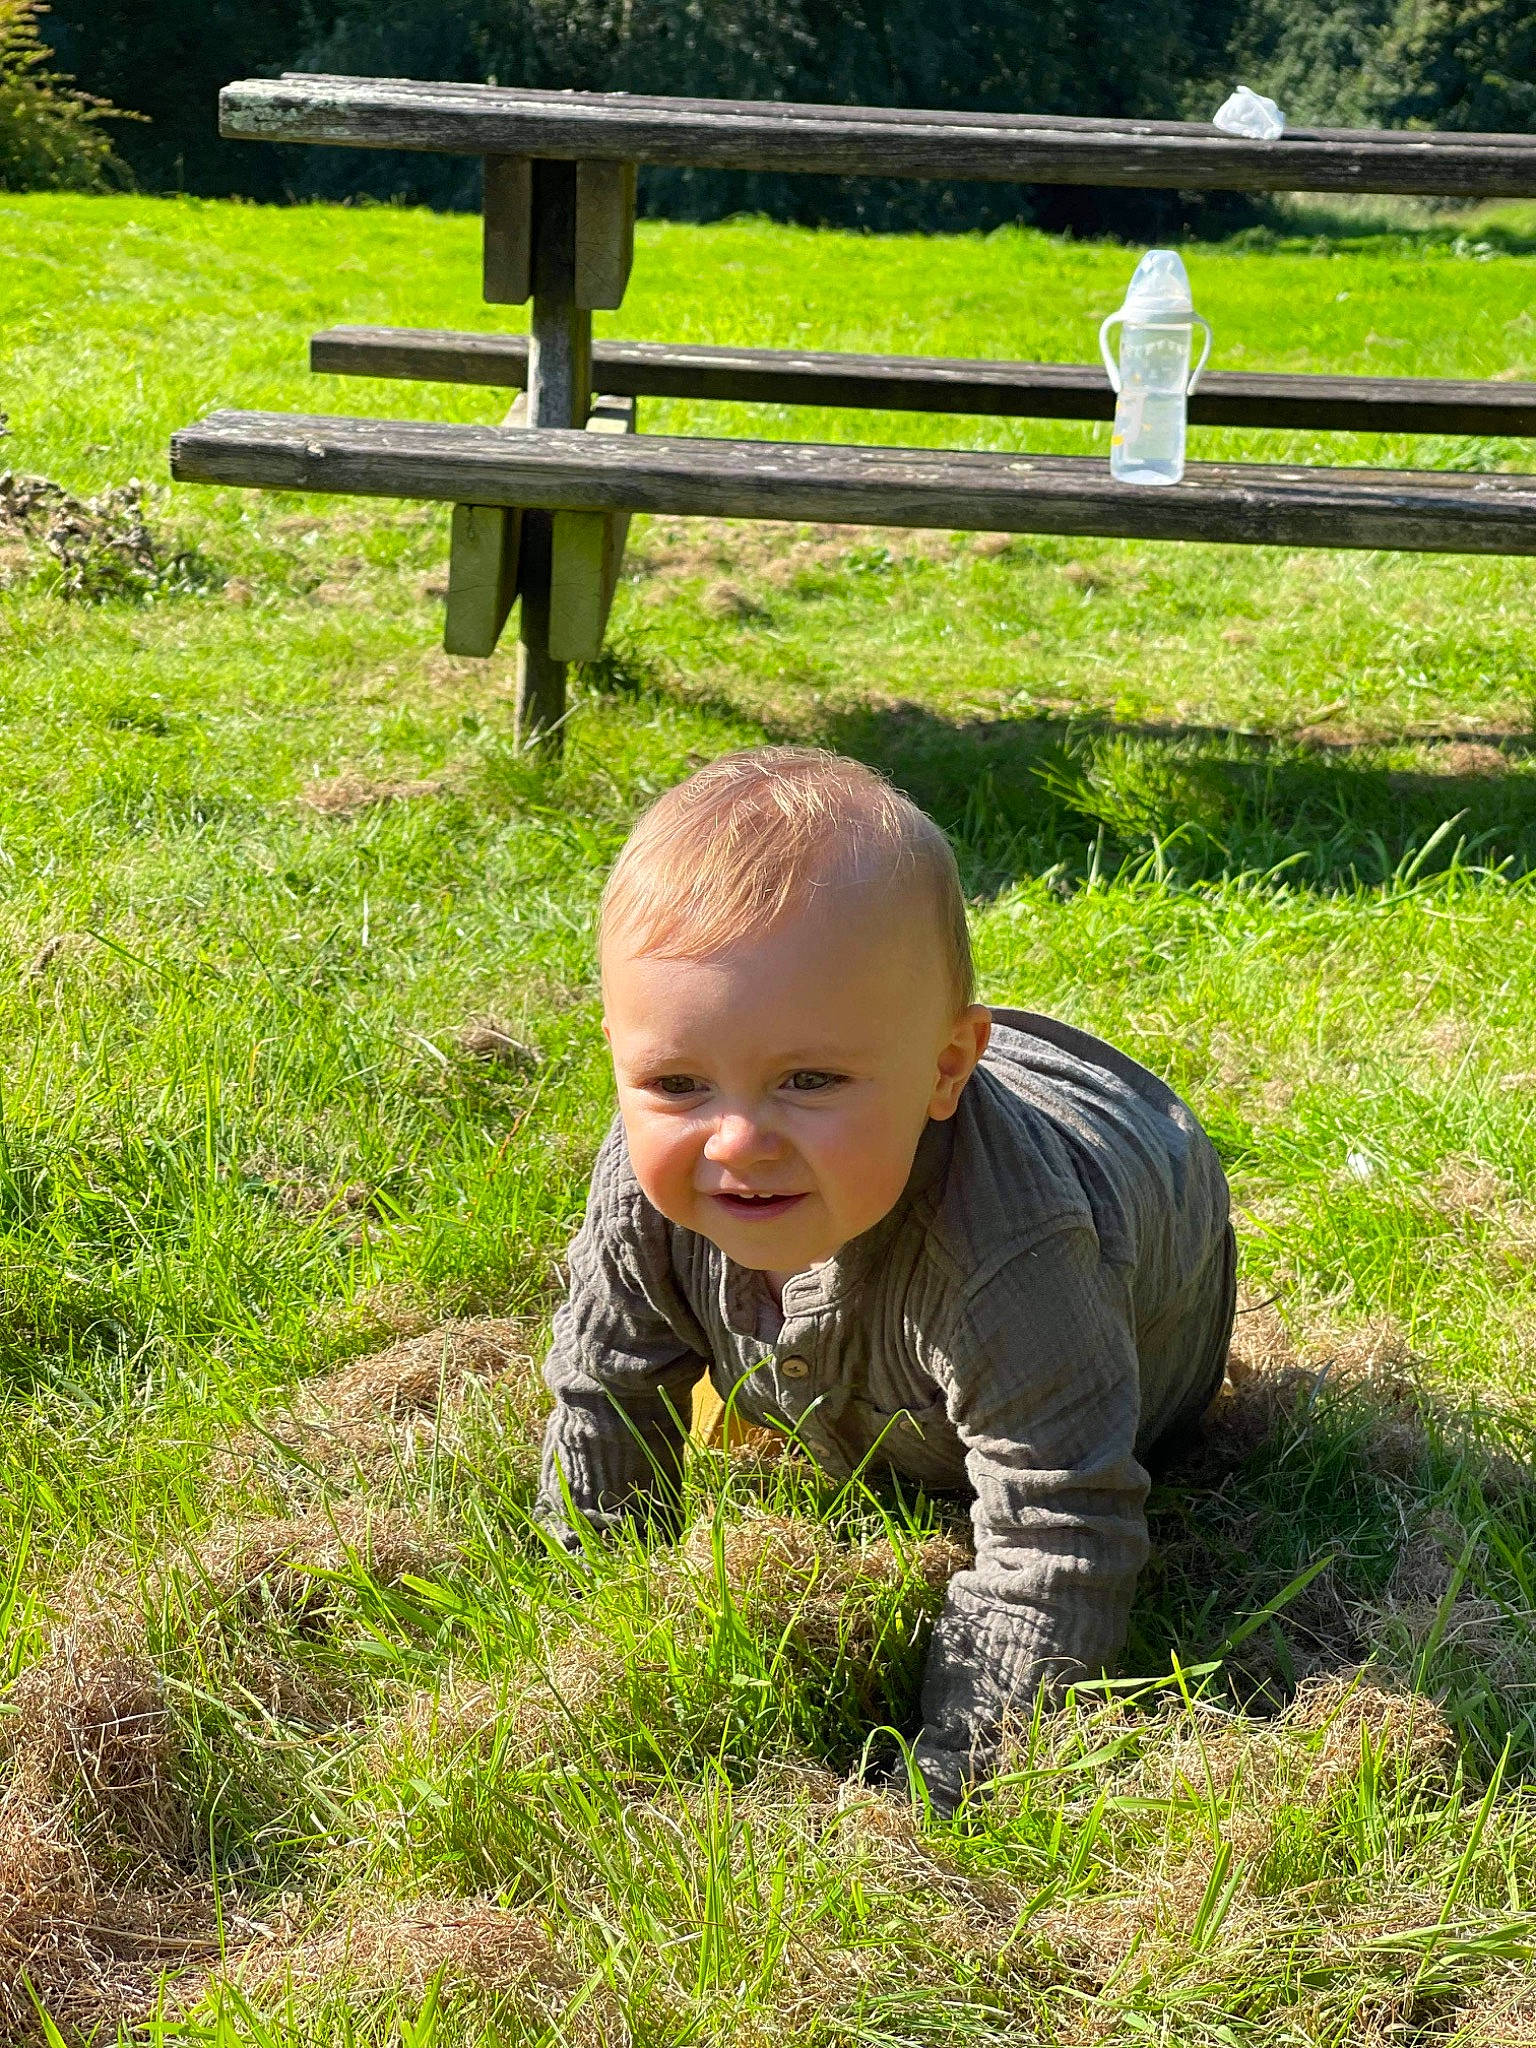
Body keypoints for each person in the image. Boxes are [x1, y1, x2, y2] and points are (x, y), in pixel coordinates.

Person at [535, 746, 1235, 1811]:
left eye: (808, 1079)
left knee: (1046, 1431)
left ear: (948, 1067)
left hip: (1143, 1232)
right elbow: (603, 1391)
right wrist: (590, 1633)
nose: (735, 1141)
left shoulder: (1014, 1253)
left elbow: (1061, 1531)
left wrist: (954, 1789)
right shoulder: (645, 1185)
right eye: (677, 1080)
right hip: (883, 1299)